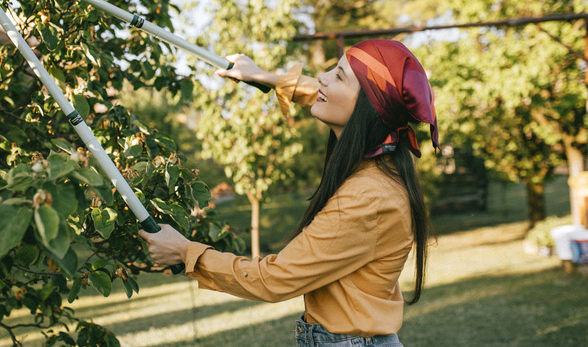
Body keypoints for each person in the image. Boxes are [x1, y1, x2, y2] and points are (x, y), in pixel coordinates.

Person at [138, 39, 439, 347]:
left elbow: (275, 279)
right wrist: (263, 76)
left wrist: (187, 253)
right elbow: (325, 94)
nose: (321, 77)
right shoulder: (382, 159)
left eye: (338, 76)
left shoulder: (368, 196)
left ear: (368, 109)